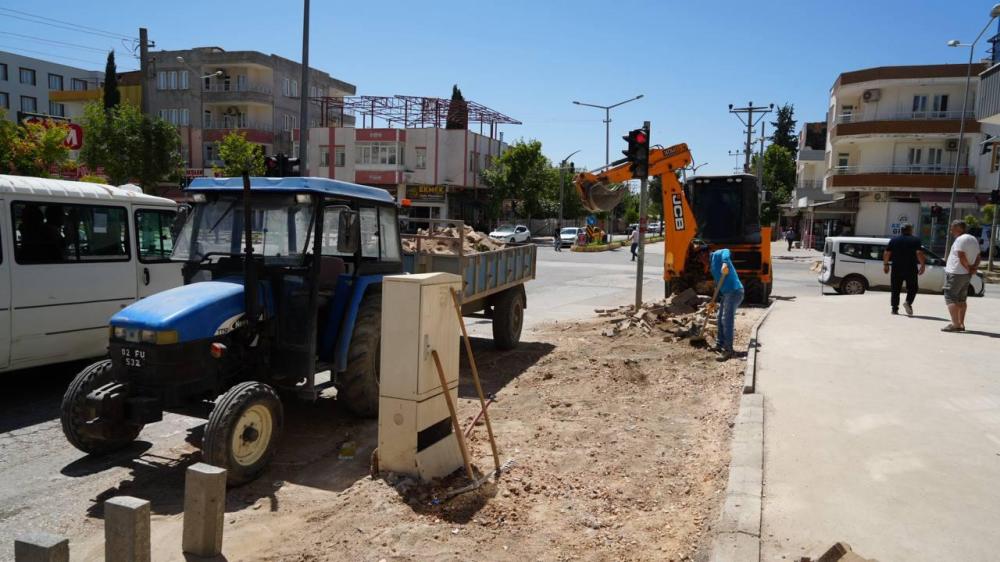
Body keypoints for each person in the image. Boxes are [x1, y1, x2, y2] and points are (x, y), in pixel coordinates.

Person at [942, 220, 981, 332]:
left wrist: (968, 268)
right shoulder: (973, 239)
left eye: (952, 228)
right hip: (965, 274)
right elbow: (978, 256)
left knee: (950, 297)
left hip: (956, 272)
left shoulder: (960, 239)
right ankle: (961, 323)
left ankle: (955, 324)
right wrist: (973, 268)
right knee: (961, 299)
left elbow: (961, 255)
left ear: (959, 228)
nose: (951, 230)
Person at [708, 247, 744, 361]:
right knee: (719, 318)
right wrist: (714, 300)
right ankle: (720, 345)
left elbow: (726, 251)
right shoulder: (711, 266)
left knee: (726, 319)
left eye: (701, 256)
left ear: (705, 253)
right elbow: (719, 283)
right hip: (726, 293)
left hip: (734, 291)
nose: (701, 260)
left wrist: (724, 263)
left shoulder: (717, 254)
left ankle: (728, 350)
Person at [882, 223, 925, 316]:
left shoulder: (894, 240)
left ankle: (894, 309)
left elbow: (887, 253)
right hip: (911, 268)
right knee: (913, 288)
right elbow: (919, 253)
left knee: (895, 289)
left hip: (896, 268)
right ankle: (908, 302)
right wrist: (922, 265)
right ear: (910, 230)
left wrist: (886, 264)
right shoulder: (915, 240)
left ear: (901, 230)